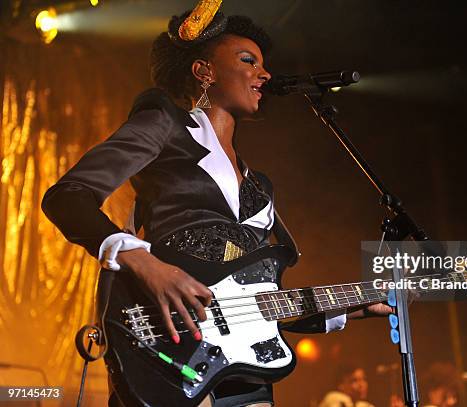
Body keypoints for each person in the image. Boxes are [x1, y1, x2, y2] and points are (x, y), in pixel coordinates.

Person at [41, 3, 391, 406]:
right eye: (248, 61)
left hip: (241, 368)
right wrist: (144, 261)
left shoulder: (258, 186)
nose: (265, 74)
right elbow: (67, 198)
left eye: (263, 64)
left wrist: (347, 307)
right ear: (204, 71)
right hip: (169, 348)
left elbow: (255, 301)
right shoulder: (165, 125)